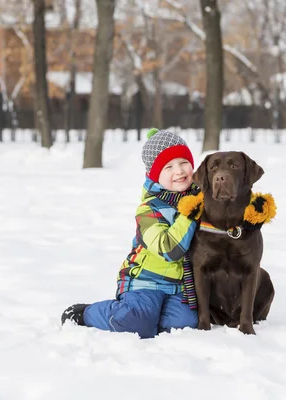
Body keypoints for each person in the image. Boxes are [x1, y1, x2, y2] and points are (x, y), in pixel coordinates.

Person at [61, 128, 204, 338]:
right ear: (155, 175)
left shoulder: (200, 197)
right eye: (168, 166)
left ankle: (149, 317)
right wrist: (190, 211)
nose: (179, 171)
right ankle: (88, 313)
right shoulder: (149, 210)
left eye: (184, 162)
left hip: (179, 286)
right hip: (144, 281)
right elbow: (170, 249)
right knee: (138, 323)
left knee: (184, 324)